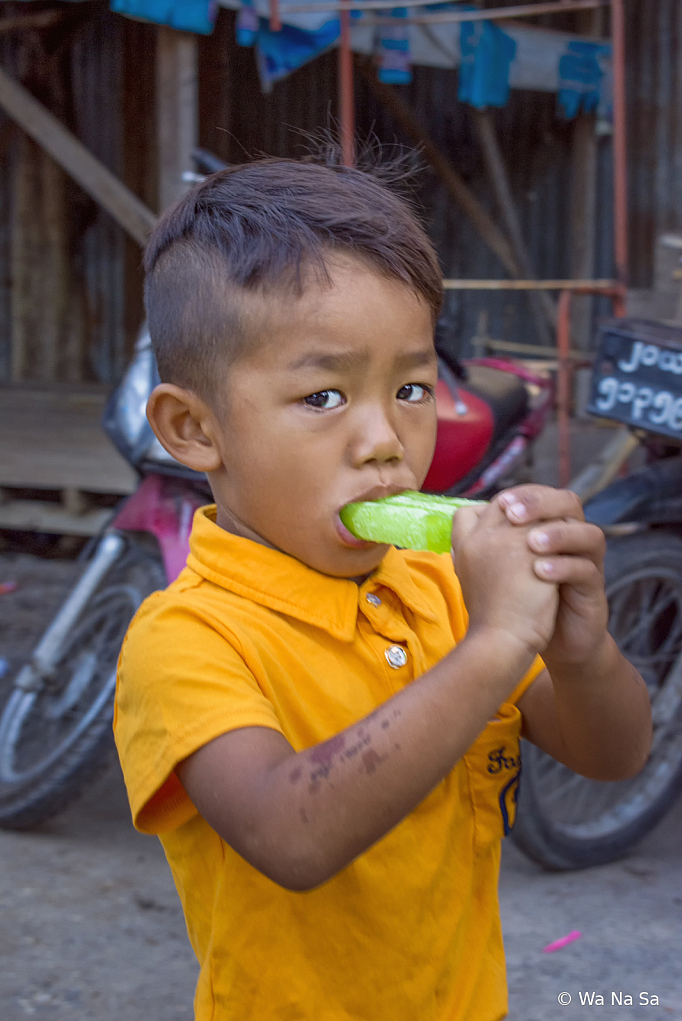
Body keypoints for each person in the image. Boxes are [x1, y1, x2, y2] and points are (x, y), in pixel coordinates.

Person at [113, 157, 652, 1021]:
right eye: (324, 394)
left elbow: (615, 755)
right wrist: (496, 647)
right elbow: (289, 833)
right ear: (195, 427)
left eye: (410, 388)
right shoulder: (187, 640)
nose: (385, 442)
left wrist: (579, 647)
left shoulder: (442, 583)